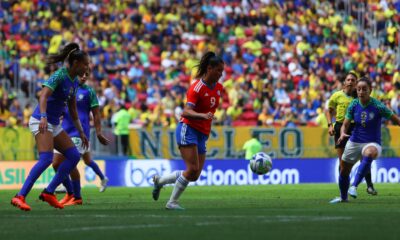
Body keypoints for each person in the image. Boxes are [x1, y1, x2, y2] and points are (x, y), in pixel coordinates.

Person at [11, 43, 89, 211]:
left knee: (74, 155)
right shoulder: (59, 75)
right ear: (76, 63)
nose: (87, 67)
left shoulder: (74, 82)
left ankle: (49, 191)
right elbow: (43, 96)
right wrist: (44, 117)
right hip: (41, 120)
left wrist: (81, 132)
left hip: (54, 124)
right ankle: (20, 196)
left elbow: (73, 110)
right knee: (46, 159)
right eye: (85, 64)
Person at [151, 52, 224, 210]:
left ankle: (160, 181)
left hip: (202, 133)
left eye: (222, 71)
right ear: (209, 69)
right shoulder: (196, 87)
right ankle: (172, 202)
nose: (221, 74)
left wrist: (207, 119)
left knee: (194, 174)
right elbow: (185, 111)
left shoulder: (219, 88)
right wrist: (203, 115)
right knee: (192, 169)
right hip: (188, 128)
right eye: (218, 70)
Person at [330, 77, 400, 203]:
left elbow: (396, 120)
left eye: (364, 89)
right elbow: (345, 124)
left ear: (370, 90)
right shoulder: (354, 104)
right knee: (344, 170)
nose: (361, 92)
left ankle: (354, 186)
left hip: (372, 142)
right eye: (359, 89)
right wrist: (342, 134)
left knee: (369, 153)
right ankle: (343, 198)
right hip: (355, 140)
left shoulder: (378, 106)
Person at [53, 70, 110, 206]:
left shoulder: (89, 92)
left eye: (87, 75)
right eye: (81, 74)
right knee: (56, 163)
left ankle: (73, 194)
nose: (84, 76)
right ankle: (71, 191)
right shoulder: (66, 88)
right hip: (63, 130)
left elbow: (96, 114)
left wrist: (99, 132)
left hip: (79, 132)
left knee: (71, 162)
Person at [326, 72, 378, 195]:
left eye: (353, 80)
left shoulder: (359, 97)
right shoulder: (336, 96)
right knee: (342, 161)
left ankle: (369, 185)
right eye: (348, 79)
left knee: (363, 158)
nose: (350, 81)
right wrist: (330, 125)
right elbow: (329, 111)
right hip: (340, 127)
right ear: (344, 82)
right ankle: (343, 190)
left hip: (356, 127)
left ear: (356, 84)